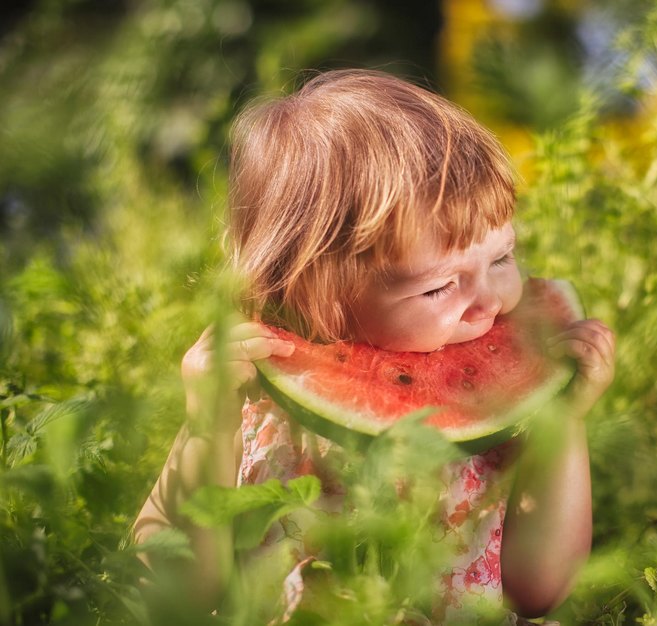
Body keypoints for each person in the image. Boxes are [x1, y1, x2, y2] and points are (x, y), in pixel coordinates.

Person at [133, 69, 614, 624]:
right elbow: (167, 594)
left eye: (501, 258)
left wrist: (564, 423)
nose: (488, 300)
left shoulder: (494, 424)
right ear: (315, 295)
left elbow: (538, 586)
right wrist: (207, 427)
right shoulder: (250, 407)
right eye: (437, 286)